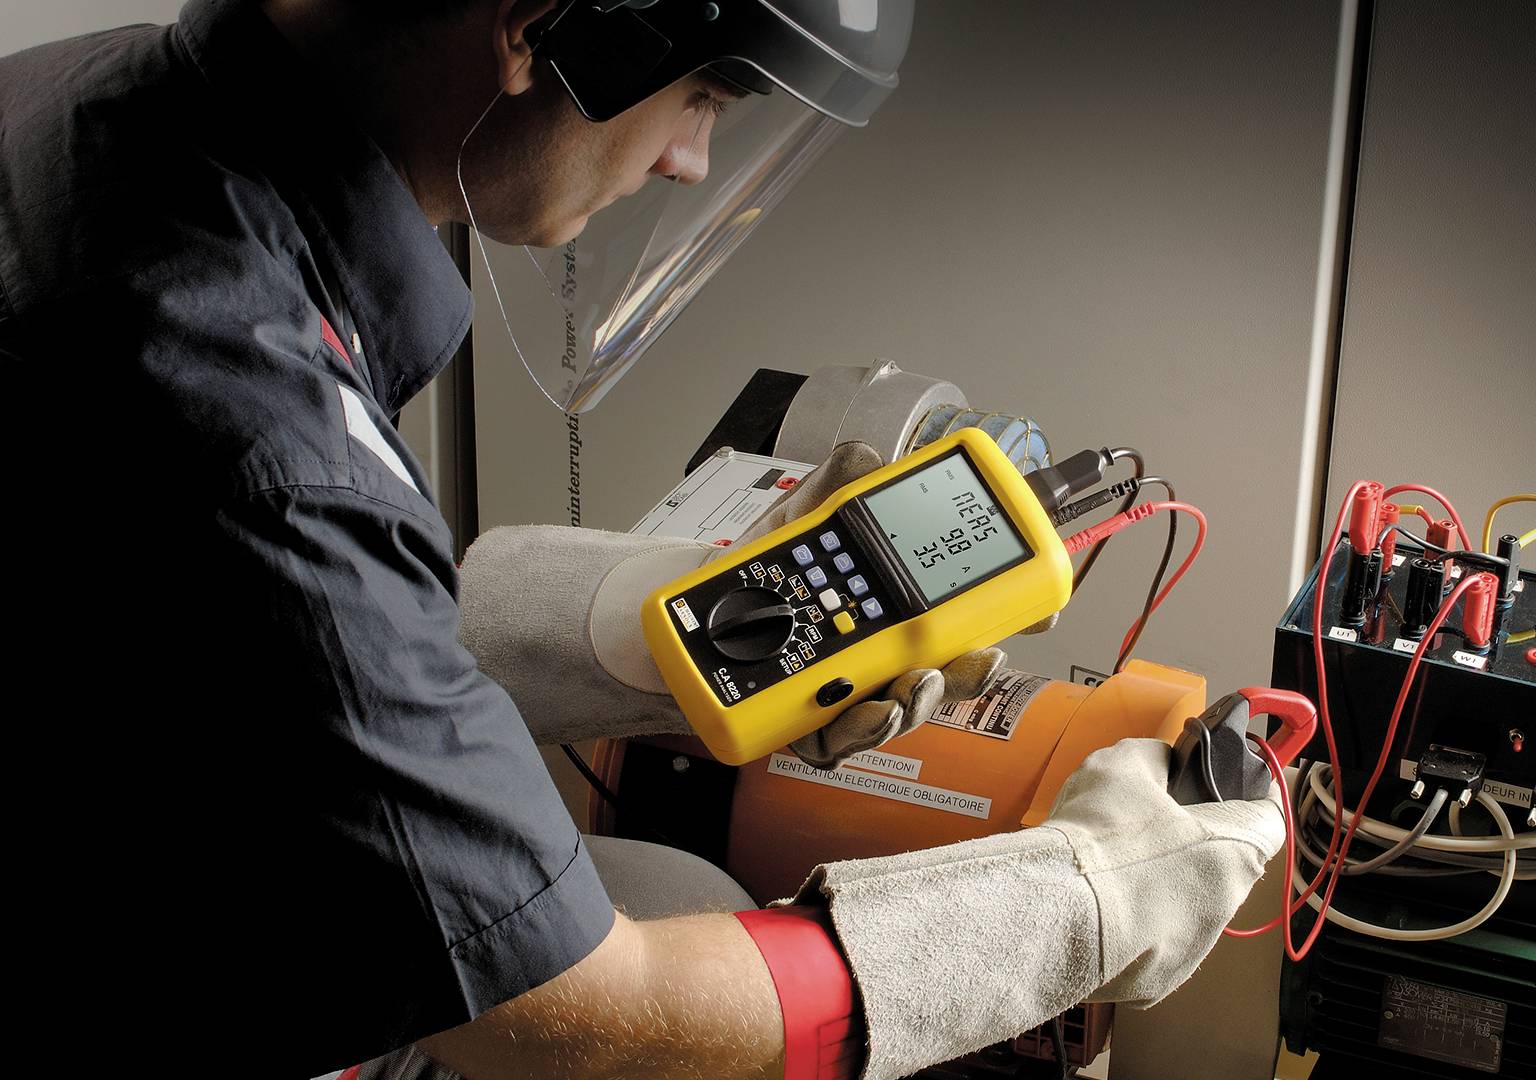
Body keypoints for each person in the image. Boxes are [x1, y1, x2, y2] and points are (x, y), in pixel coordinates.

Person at [0, 2, 1286, 1077]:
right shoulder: (262, 425)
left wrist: (636, 627)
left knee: (678, 890)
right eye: (709, 98)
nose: (687, 163)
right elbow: (586, 1018)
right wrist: (1089, 896)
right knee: (683, 937)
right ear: (552, 20)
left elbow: (276, 652)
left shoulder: (99, 111)